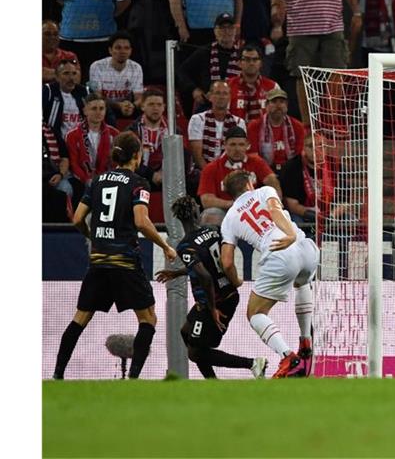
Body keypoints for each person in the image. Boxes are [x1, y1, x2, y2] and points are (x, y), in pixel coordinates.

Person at [53, 131, 177, 379]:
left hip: (98, 261)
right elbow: (141, 222)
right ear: (137, 155)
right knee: (148, 319)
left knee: (80, 318)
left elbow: (77, 218)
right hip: (125, 262)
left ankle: (57, 375)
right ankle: (133, 379)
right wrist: (165, 246)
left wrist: (91, 236)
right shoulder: (138, 183)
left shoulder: (97, 181)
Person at [154, 196, 268, 379]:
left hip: (216, 301)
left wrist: (213, 308)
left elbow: (205, 276)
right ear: (197, 212)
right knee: (185, 332)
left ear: (179, 219)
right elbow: (212, 264)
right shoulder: (214, 230)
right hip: (226, 294)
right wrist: (177, 273)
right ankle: (212, 382)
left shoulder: (185, 245)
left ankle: (253, 363)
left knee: (196, 353)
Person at [219, 170, 319, 378]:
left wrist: (236, 280)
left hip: (280, 254)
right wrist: (291, 233)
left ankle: (288, 356)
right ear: (249, 184)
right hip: (307, 248)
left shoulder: (229, 219)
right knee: (302, 284)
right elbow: (274, 209)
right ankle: (305, 340)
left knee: (255, 313)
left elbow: (226, 261)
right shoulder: (266, 190)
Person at [272, 0, 362, 124]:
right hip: (300, 27)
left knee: (337, 72)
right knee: (302, 75)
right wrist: (275, 5)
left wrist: (357, 12)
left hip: (333, 24)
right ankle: (308, 125)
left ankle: (331, 121)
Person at [197, 126, 280, 225]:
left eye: (241, 144)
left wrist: (274, 203)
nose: (237, 149)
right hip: (226, 211)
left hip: (255, 210)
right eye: (232, 144)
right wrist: (235, 204)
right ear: (225, 145)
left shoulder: (256, 162)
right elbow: (206, 200)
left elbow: (273, 182)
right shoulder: (211, 168)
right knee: (210, 215)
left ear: (247, 145)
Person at [179, 13, 242, 115]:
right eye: (222, 28)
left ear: (235, 30)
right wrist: (194, 89)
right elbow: (182, 71)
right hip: (207, 104)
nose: (226, 31)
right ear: (215, 31)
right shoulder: (204, 51)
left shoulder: (242, 54)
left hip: (236, 104)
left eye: (230, 28)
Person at [66, 93, 121, 188]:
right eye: (94, 108)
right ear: (85, 111)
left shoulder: (115, 134)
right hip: (81, 182)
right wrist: (87, 180)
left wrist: (106, 179)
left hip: (108, 180)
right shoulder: (72, 135)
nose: (98, 112)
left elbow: (117, 162)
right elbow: (74, 164)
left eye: (101, 108)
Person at [188, 80, 245, 170]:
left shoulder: (239, 122)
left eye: (225, 93)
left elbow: (239, 153)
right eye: (217, 93)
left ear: (229, 97)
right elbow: (197, 156)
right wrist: (212, 175)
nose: (221, 97)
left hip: (231, 172)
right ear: (210, 96)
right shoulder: (197, 119)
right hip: (204, 172)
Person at [246, 88, 305, 176]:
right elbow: (254, 156)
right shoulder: (254, 126)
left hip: (291, 171)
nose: (278, 106)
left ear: (287, 105)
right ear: (266, 105)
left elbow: (299, 156)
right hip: (264, 172)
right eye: (274, 102)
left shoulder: (297, 126)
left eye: (281, 102)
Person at [88, 31, 144, 121]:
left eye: (126, 48)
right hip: (105, 107)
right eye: (118, 48)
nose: (122, 51)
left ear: (131, 51)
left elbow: (139, 97)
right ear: (110, 50)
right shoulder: (97, 66)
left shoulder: (136, 67)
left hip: (127, 107)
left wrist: (132, 106)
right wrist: (118, 105)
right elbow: (97, 96)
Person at [44, 59, 89, 157]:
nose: (71, 78)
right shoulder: (48, 91)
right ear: (57, 77)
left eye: (74, 73)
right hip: (54, 145)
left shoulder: (83, 92)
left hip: (79, 145)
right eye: (66, 73)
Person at [227, 43, 279, 124]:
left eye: (255, 59)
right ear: (239, 63)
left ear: (261, 63)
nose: (251, 63)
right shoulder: (228, 86)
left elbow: (279, 116)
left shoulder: (273, 87)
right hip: (236, 134)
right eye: (247, 59)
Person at [43, 123, 74, 223]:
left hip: (52, 176)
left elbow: (64, 158)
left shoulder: (50, 131)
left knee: (66, 188)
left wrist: (60, 174)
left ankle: (62, 229)